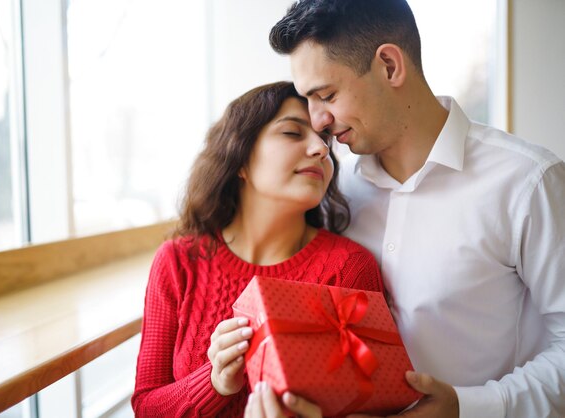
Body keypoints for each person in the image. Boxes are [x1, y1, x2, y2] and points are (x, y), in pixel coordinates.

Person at [244, 1, 565, 417]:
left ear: (390, 66)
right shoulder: (333, 190)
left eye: (326, 95)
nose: (318, 120)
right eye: (309, 100)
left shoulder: (528, 181)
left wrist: (467, 407)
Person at [131, 81, 385, 417]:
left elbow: (376, 406)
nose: (321, 149)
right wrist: (214, 381)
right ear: (240, 158)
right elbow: (146, 406)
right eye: (293, 133)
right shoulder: (178, 261)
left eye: (325, 140)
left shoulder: (349, 267)